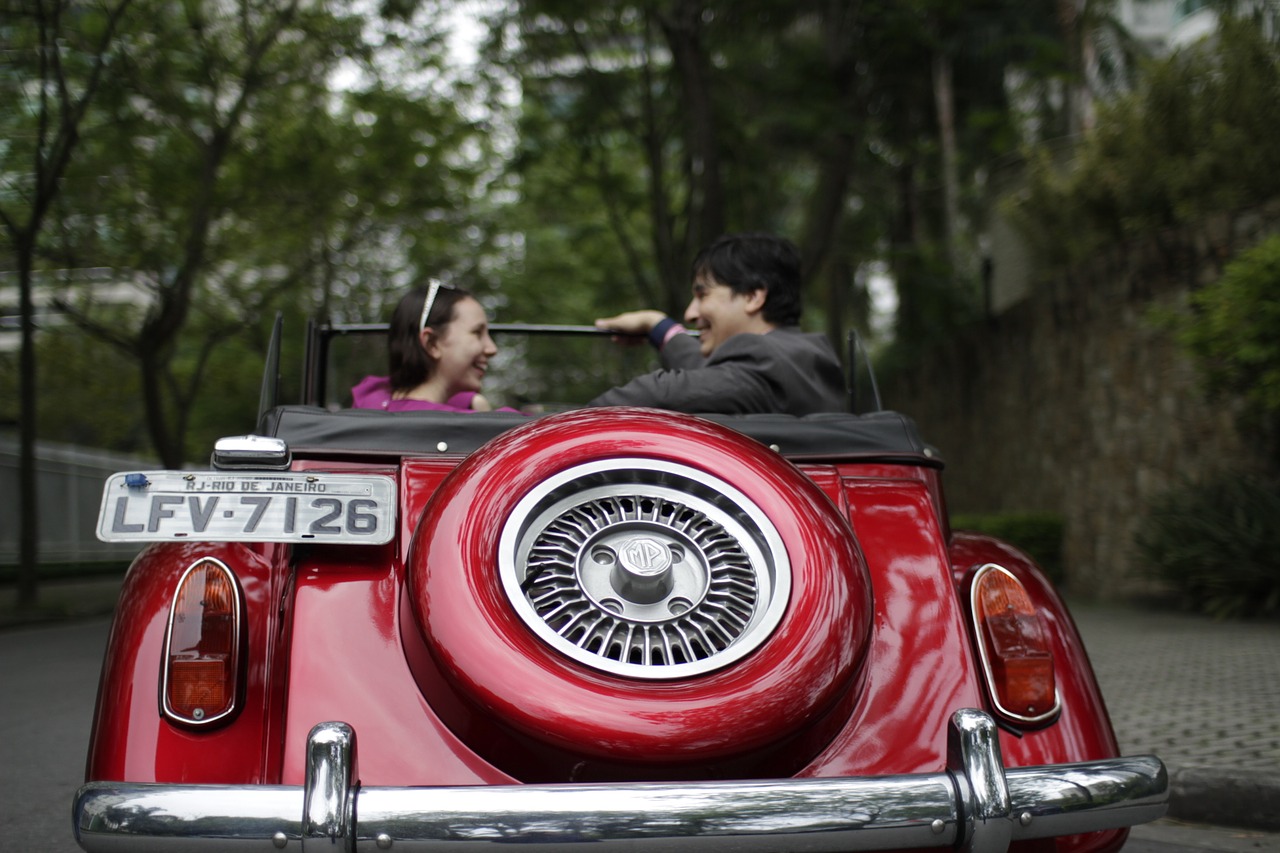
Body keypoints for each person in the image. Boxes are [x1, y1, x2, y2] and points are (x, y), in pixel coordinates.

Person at [587, 233, 847, 415]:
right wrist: (656, 324)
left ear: (752, 296)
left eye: (702, 295)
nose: (690, 313)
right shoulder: (806, 358)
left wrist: (567, 423)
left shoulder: (764, 367)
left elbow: (661, 393)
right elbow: (711, 373)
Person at [352, 280, 506, 413]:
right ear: (432, 343)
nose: (492, 349)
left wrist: (471, 400)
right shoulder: (464, 426)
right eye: (477, 333)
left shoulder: (370, 404)